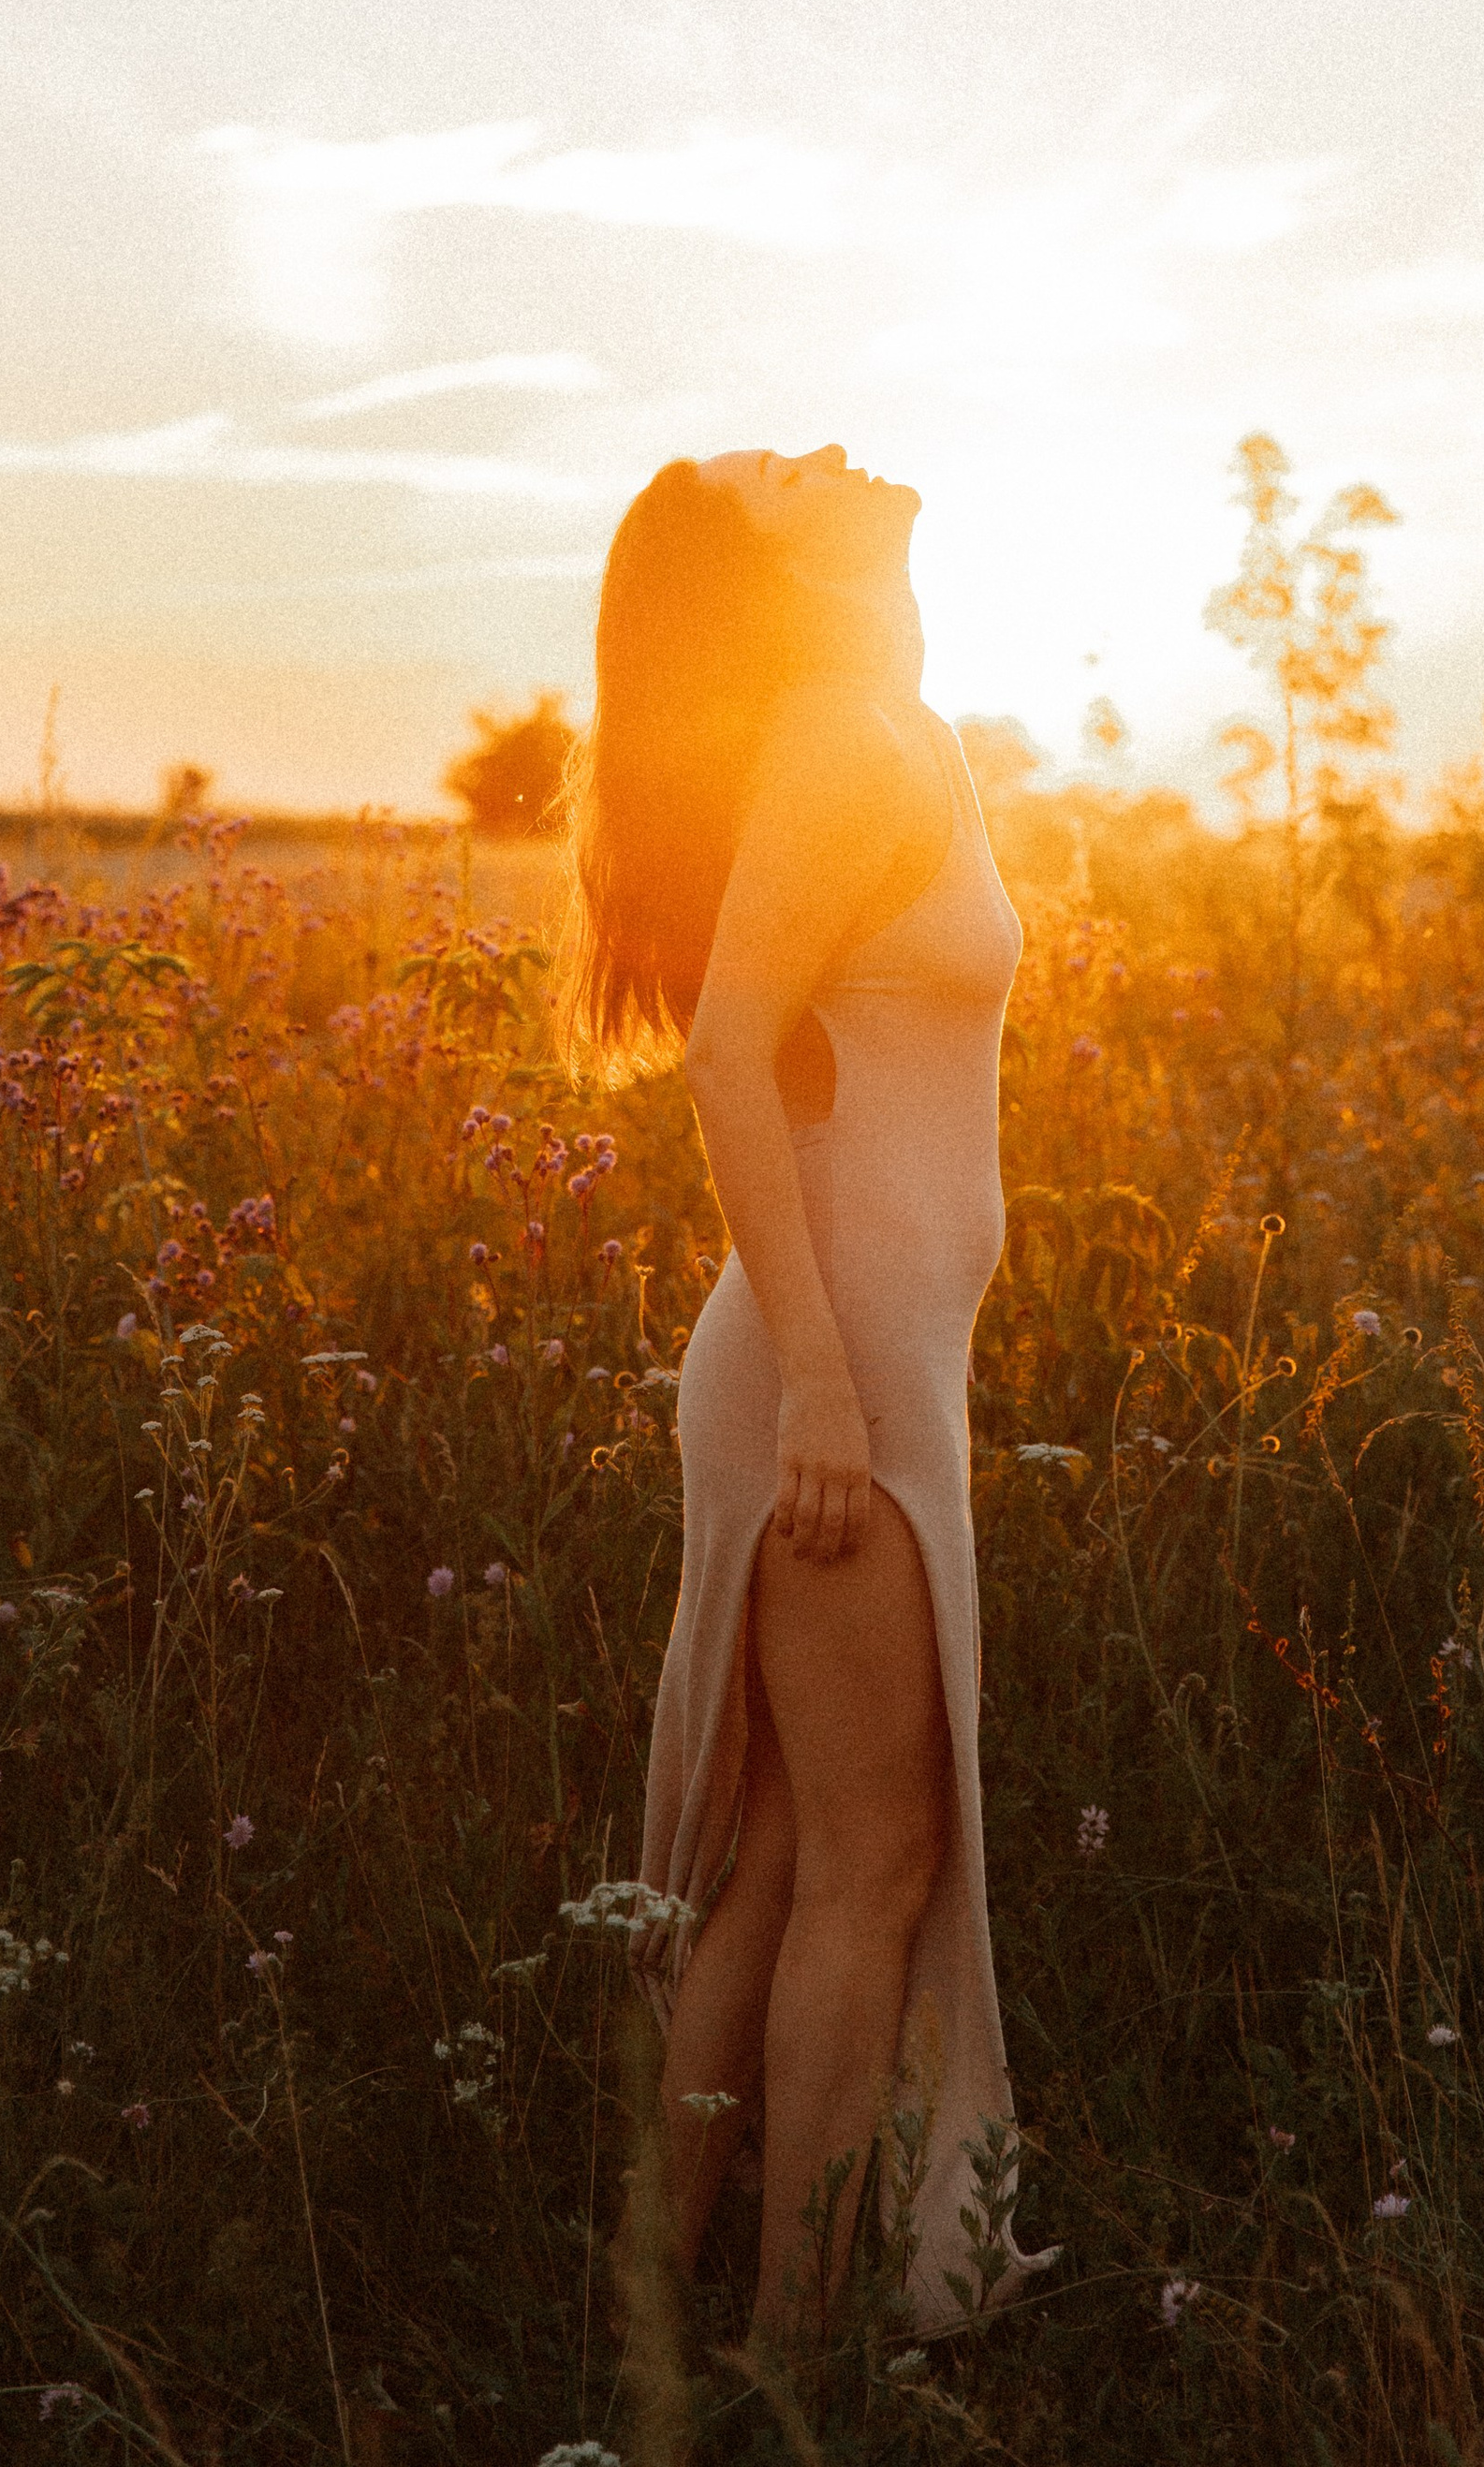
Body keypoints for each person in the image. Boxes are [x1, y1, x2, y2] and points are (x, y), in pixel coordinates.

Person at [565, 443, 1053, 2344]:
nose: (821, 450)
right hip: (828, 1365)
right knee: (873, 1862)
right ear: (762, 570)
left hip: (853, 1356)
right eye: (770, 468)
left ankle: (647, 2315)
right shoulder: (849, 738)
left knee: (786, 1859)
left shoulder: (869, 724)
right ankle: (782, 2370)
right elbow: (722, 1054)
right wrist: (827, 1394)